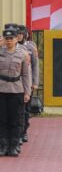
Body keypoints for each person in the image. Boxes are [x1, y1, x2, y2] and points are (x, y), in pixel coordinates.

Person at [0, 28, 31, 156]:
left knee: (15, 119)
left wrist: (27, 92)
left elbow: (25, 75)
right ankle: (3, 146)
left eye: (11, 38)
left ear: (16, 39)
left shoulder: (23, 54)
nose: (9, 41)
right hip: (1, 90)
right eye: (6, 39)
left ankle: (13, 145)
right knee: (2, 119)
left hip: (16, 90)